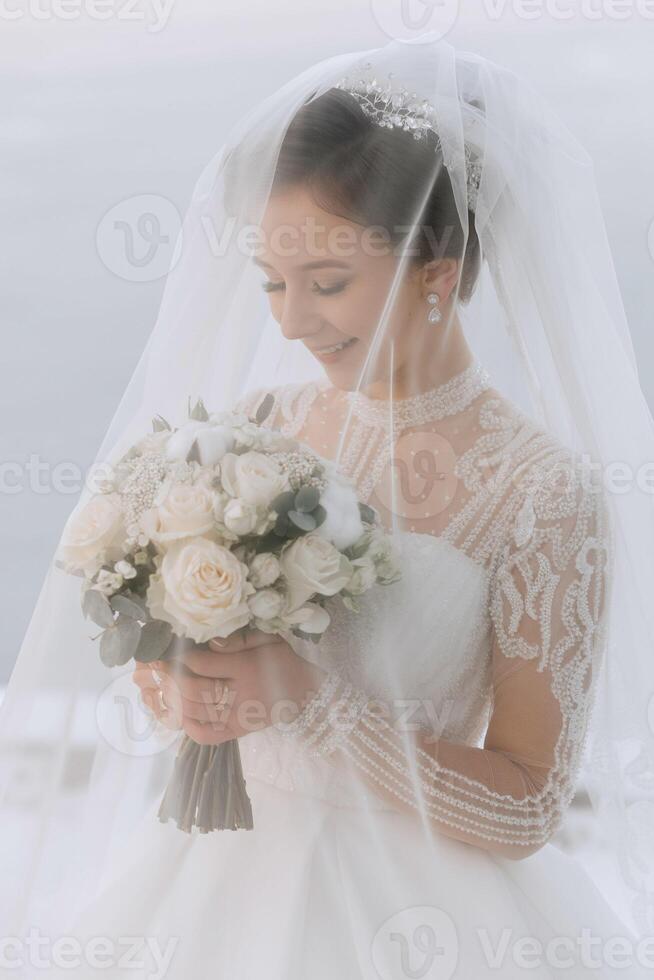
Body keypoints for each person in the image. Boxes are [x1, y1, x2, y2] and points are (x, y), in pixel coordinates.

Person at [3, 32, 654, 979]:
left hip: (426, 923)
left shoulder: (540, 492)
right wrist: (179, 686)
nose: (290, 321)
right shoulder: (258, 430)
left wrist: (311, 705)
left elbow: (527, 805)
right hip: (211, 896)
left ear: (437, 276)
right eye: (272, 282)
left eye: (329, 284)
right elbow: (171, 674)